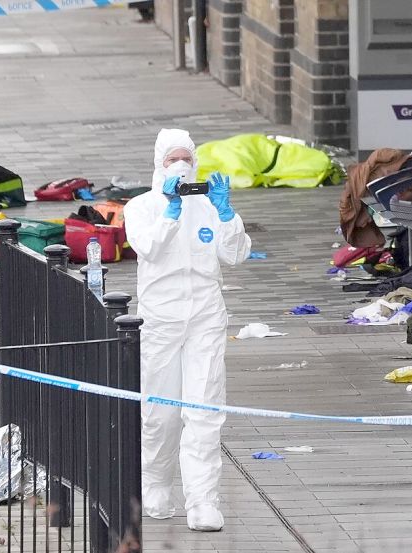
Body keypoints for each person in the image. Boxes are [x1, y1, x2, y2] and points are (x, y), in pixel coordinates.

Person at [123, 128, 251, 531]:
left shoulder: (210, 206)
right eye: (171, 159)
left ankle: (203, 500)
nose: (180, 166)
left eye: (186, 158)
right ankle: (156, 484)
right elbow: (149, 248)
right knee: (160, 409)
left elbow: (235, 255)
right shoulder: (141, 207)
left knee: (205, 407)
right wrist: (171, 212)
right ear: (158, 164)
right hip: (160, 317)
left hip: (205, 316)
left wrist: (227, 214)